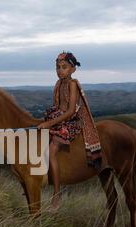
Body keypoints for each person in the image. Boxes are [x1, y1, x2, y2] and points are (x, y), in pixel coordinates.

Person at [37, 51, 83, 211]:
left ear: (73, 69)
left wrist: (49, 123)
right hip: (59, 117)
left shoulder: (72, 84)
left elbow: (70, 111)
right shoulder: (58, 84)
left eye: (64, 67)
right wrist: (48, 122)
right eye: (58, 67)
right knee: (38, 139)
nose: (60, 70)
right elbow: (57, 106)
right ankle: (37, 181)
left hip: (71, 122)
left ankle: (57, 196)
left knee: (52, 148)